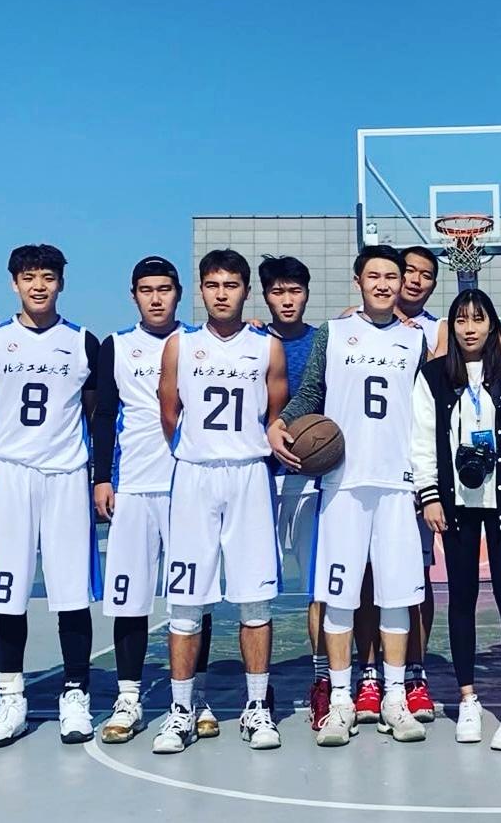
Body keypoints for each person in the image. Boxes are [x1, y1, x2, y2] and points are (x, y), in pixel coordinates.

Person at [269, 244, 428, 746]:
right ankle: (340, 699)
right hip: (342, 484)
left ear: (401, 283)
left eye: (391, 276)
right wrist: (280, 423)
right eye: (373, 276)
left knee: (396, 597)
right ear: (357, 281)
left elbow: (428, 411)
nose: (383, 284)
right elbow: (310, 393)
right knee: (338, 596)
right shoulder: (334, 334)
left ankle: (394, 697)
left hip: (398, 483)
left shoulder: (417, 339)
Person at [151, 249, 287, 754]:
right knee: (185, 601)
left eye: (231, 285)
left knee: (255, 598)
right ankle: (181, 709)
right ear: (201, 290)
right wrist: (200, 451)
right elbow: (170, 412)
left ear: (246, 291)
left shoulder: (267, 346)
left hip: (248, 474)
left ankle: (256, 707)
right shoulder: (180, 345)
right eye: (213, 285)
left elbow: (274, 414)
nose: (222, 293)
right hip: (196, 475)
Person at [0, 244, 102, 747]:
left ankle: (76, 694)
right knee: (8, 592)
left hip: (66, 474)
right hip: (11, 473)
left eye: (48, 277)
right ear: (14, 283)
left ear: (61, 283)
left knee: (71, 593)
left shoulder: (83, 342)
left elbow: (90, 408)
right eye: (29, 277)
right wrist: (16, 445)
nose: (39, 286)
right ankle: (11, 699)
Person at [91, 257, 218, 743]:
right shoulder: (117, 345)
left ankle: (196, 693)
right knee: (130, 598)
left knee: (193, 594)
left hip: (189, 483)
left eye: (164, 288)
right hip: (135, 486)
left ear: (178, 293)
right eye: (146, 290)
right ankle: (129, 696)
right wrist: (103, 477)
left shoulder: (198, 342)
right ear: (134, 295)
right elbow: (104, 415)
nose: (156, 298)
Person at [412, 289, 501, 750]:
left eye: (478, 319)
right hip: (455, 503)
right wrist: (429, 495)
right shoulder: (433, 376)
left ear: (492, 326)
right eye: (461, 320)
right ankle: (467, 698)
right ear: (451, 326)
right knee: (462, 597)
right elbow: (422, 440)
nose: (470, 328)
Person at [345, 245, 445, 725]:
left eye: (427, 274)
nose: (415, 280)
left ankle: (413, 675)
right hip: (359, 477)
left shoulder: (433, 333)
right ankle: (367, 674)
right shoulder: (349, 326)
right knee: (362, 580)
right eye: (409, 271)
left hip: (408, 478)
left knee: (413, 580)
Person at [258, 255, 330, 722]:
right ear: (265, 296)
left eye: (295, 291)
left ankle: (323, 678)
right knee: (257, 586)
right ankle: (258, 686)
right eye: (278, 291)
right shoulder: (250, 342)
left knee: (318, 586)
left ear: (307, 293)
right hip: (258, 480)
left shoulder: (326, 340)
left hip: (311, 479)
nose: (287, 300)